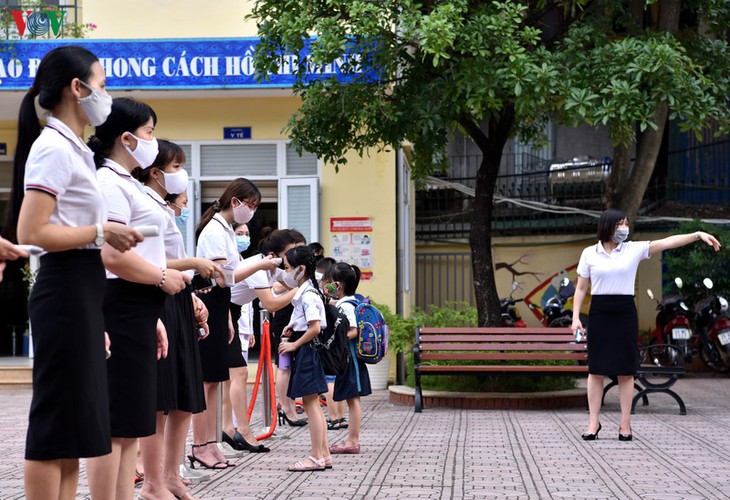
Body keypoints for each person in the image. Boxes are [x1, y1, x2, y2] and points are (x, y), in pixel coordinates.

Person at [9, 45, 142, 500]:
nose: (106, 96)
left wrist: (100, 235)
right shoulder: (52, 148)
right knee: (55, 425)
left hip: (81, 289)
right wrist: (101, 231)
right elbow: (32, 230)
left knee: (74, 426)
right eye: (102, 85)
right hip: (64, 287)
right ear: (77, 88)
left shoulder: (74, 149)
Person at [85, 97, 190, 499]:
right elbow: (113, 255)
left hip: (138, 307)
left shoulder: (126, 182)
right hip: (120, 303)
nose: (153, 140)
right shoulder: (109, 183)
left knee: (131, 423)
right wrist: (162, 276)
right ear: (127, 139)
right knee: (115, 424)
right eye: (149, 132)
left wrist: (154, 312)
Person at [572, 209, 721, 442]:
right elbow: (581, 288)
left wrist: (697, 234)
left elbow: (667, 242)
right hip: (600, 312)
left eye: (626, 224)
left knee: (625, 370)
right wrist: (575, 318)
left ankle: (625, 425)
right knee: (596, 369)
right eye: (620, 224)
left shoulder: (633, 249)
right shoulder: (590, 253)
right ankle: (593, 423)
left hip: (624, 312)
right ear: (608, 226)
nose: (624, 228)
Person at [136, 140, 220, 500]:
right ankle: (153, 482)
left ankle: (172, 475)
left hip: (177, 299)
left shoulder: (164, 209)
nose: (180, 175)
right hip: (157, 300)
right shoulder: (142, 203)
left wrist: (190, 297)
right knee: (160, 399)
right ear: (155, 173)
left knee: (186, 394)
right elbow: (147, 260)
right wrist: (194, 266)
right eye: (174, 167)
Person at [190, 179, 279, 470]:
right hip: (210, 304)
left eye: (255, 207)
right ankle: (200, 444)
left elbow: (224, 283)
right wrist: (260, 264)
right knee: (207, 381)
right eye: (249, 205)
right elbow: (222, 277)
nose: (251, 212)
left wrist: (227, 316)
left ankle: (211, 442)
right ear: (235, 201)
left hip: (219, 306)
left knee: (216, 380)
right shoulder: (215, 230)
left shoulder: (224, 229)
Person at [223, 228, 299, 452]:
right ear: (275, 254)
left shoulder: (272, 268)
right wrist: (300, 290)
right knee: (236, 373)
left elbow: (287, 283)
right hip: (222, 312)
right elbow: (271, 304)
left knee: (229, 376)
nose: (292, 258)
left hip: (232, 314)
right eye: (290, 253)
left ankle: (228, 429)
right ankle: (240, 431)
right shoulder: (258, 267)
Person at [278, 245, 331, 471]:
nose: (286, 272)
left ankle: (316, 456)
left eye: (288, 268)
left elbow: (315, 327)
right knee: (313, 404)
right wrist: (294, 328)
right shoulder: (309, 292)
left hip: (307, 349)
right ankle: (324, 454)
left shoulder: (308, 294)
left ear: (300, 269)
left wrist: (294, 344)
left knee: (311, 405)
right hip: (308, 348)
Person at [329, 262, 371, 453]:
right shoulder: (353, 301)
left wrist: (336, 337)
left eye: (331, 282)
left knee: (353, 400)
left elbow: (353, 331)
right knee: (352, 400)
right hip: (352, 358)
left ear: (338, 285)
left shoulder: (346, 306)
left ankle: (353, 441)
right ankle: (351, 439)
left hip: (349, 359)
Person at [317, 258, 346, 430]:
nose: (325, 285)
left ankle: (335, 417)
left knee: (330, 380)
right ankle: (340, 417)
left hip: (332, 345)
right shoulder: (350, 299)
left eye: (327, 281)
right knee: (337, 380)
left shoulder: (339, 302)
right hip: (339, 346)